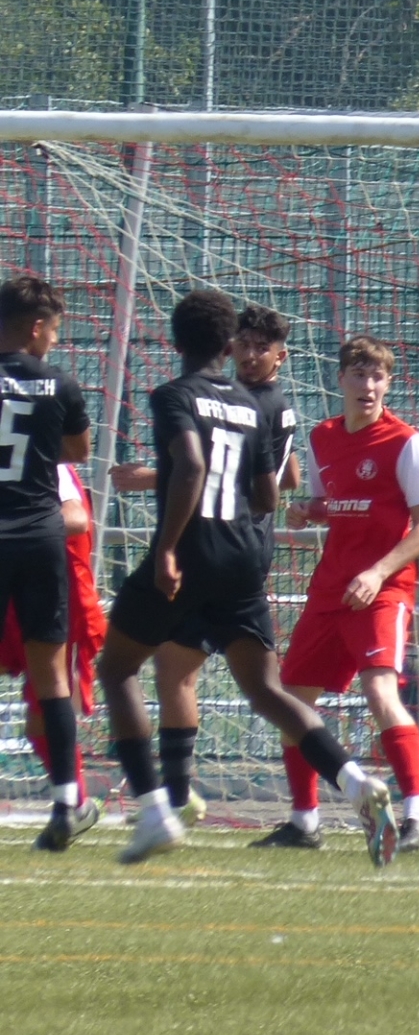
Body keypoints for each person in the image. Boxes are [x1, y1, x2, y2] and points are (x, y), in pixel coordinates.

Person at [96, 290, 397, 866]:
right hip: (243, 558)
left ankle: (157, 809)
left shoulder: (174, 395)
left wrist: (166, 548)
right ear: (228, 345)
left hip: (190, 555)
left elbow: (191, 465)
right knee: (266, 691)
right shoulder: (251, 404)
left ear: (176, 342)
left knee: (116, 668)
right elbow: (267, 494)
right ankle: (356, 781)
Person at [110, 303, 301, 827]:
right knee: (184, 672)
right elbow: (287, 478)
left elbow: (216, 473)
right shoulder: (263, 404)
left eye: (262, 347)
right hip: (239, 551)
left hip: (221, 549)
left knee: (177, 673)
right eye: (245, 343)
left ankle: (173, 798)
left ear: (280, 357)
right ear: (230, 345)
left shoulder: (255, 403)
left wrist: (153, 478)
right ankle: (178, 795)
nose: (250, 354)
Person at [263, 335, 419, 853]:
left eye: (378, 376)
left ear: (389, 383)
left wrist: (379, 573)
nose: (368, 385)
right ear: (341, 379)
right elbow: (333, 504)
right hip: (331, 588)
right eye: (359, 375)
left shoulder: (405, 442)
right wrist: (307, 511)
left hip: (381, 589)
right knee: (292, 700)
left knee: (381, 694)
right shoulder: (322, 437)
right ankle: (304, 821)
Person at [0, 274, 93, 851]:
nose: (54, 340)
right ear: (36, 328)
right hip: (38, 535)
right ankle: (65, 805)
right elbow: (78, 450)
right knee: (51, 676)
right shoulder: (59, 383)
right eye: (54, 330)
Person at [1, 462, 105, 842]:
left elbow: (76, 518)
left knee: (43, 713)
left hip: (58, 593)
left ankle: (75, 805)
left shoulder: (43, 459)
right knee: (40, 718)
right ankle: (74, 804)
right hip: (21, 586)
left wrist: (20, 525)